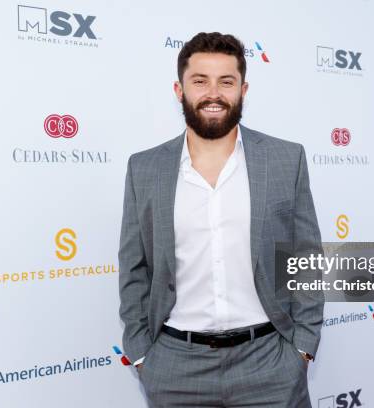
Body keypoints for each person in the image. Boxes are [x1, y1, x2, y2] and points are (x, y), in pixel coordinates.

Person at [119, 32, 324, 408]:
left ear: (243, 89)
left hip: (270, 363)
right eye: (200, 81)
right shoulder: (144, 168)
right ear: (179, 90)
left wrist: (303, 349)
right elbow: (134, 268)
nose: (213, 93)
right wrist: (143, 354)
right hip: (175, 367)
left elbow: (306, 259)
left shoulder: (284, 159)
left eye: (226, 81)